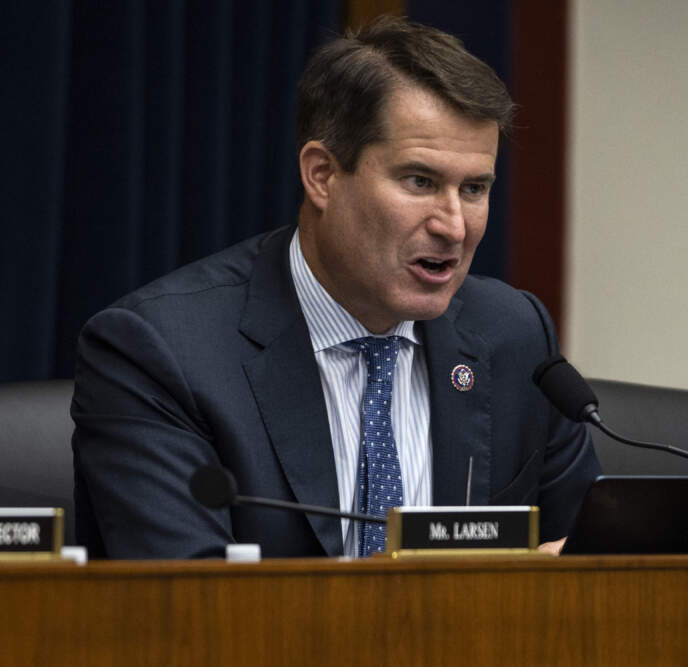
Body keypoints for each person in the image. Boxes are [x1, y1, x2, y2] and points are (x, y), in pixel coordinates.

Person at [71, 17, 600, 559]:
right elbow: (190, 597)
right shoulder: (162, 352)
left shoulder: (513, 337)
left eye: (474, 189)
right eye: (420, 181)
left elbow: (595, 554)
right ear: (322, 175)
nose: (454, 226)